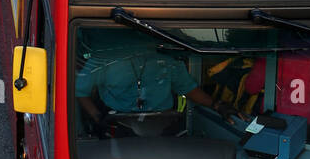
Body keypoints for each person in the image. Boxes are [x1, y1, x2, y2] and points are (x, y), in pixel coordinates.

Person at [77, 45, 219, 134]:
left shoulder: (168, 60)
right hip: (117, 127)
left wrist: (217, 106)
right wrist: (98, 117)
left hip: (162, 125)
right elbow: (80, 91)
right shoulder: (102, 59)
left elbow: (189, 89)